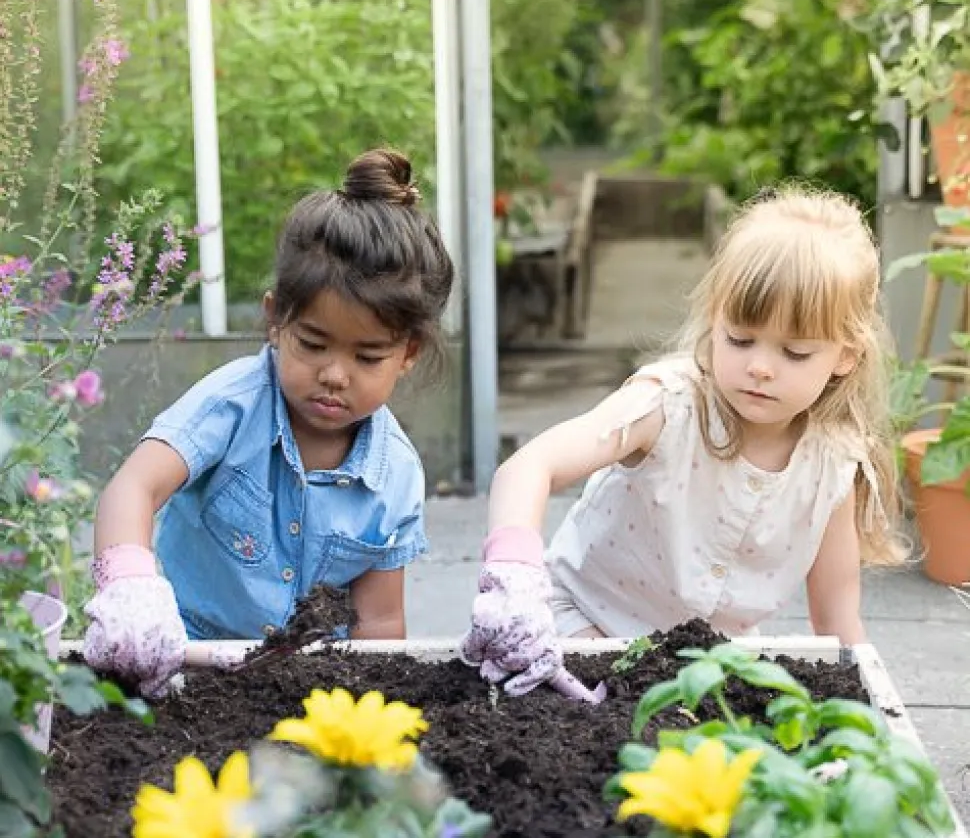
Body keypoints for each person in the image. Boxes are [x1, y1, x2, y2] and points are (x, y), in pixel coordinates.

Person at [461, 186, 908, 700]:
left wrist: (870, 715)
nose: (760, 366)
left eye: (794, 351)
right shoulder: (666, 407)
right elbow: (529, 467)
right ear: (715, 319)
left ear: (846, 356)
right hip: (582, 627)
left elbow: (836, 621)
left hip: (703, 664)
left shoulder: (833, 462)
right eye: (740, 339)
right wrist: (513, 570)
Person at [83, 148, 454, 696]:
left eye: (367, 357)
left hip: (309, 686)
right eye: (313, 343)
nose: (334, 374)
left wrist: (376, 711)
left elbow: (378, 625)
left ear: (408, 353)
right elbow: (132, 489)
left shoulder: (394, 476)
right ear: (276, 319)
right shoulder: (231, 406)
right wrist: (129, 587)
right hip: (181, 667)